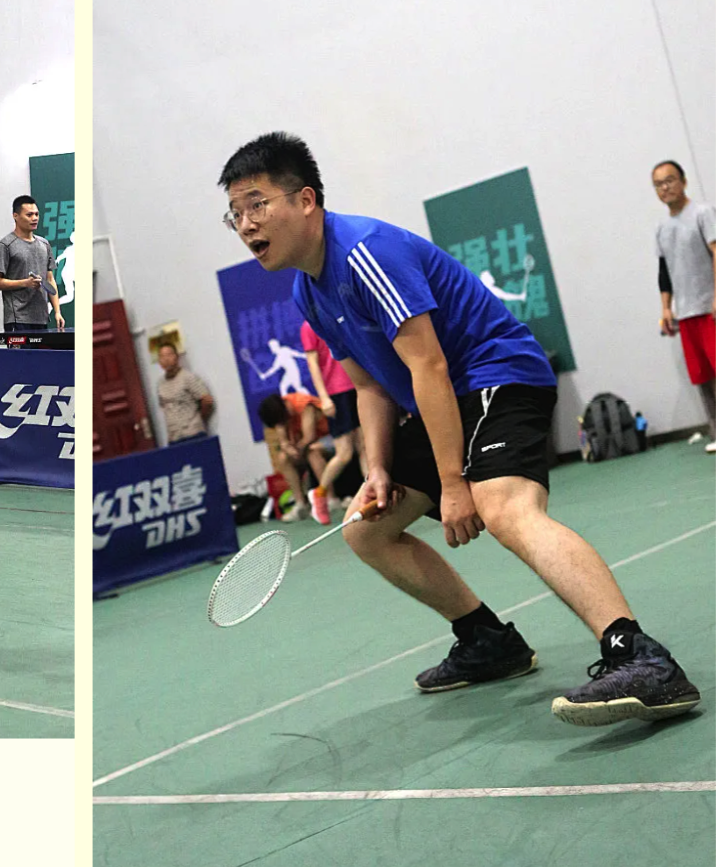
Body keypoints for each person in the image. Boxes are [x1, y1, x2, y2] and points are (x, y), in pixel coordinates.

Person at [220, 131, 699, 727]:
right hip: (442, 403)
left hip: (498, 376)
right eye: (234, 213)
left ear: (306, 200)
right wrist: (377, 469)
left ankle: (640, 656)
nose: (245, 224)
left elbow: (429, 365)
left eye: (257, 204)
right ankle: (487, 640)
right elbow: (370, 386)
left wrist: (453, 483)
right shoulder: (306, 293)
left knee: (503, 508)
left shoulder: (366, 252)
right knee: (365, 530)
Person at [653, 160, 716, 453]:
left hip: (709, 308)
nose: (665, 187)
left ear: (684, 181)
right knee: (702, 377)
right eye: (658, 184)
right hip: (687, 313)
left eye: (670, 180)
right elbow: (664, 271)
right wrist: (666, 308)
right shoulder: (662, 229)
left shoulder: (703, 213)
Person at [300, 319, 366, 518]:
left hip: (359, 385)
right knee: (344, 453)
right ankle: (320, 494)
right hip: (336, 394)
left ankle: (371, 496)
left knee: (365, 448)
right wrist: (324, 398)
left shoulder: (338, 315)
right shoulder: (309, 327)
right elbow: (312, 363)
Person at [0, 196, 65, 331]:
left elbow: (50, 279)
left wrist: (57, 311)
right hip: (17, 319)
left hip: (41, 318)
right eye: (29, 215)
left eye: (36, 214)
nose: (34, 218)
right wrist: (25, 283)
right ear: (15, 216)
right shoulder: (5, 245)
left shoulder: (44, 245)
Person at [257, 391, 328, 523]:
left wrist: (297, 449)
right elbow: (284, 442)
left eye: (281, 422)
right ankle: (300, 504)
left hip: (329, 438)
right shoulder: (280, 413)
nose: (282, 424)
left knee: (313, 452)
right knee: (283, 457)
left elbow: (309, 437)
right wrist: (289, 450)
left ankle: (328, 498)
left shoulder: (302, 403)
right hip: (306, 447)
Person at [154, 341, 214, 443]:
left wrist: (198, 420)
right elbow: (164, 407)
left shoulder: (188, 377)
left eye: (169, 355)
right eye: (162, 356)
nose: (166, 359)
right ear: (159, 361)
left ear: (176, 357)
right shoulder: (160, 384)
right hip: (174, 438)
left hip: (193, 434)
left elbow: (207, 400)